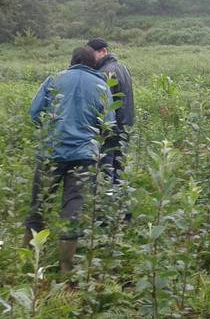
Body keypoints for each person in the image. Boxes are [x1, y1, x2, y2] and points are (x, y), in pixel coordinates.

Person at [23, 47, 114, 274]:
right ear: (94, 63)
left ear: (72, 61)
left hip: (50, 152)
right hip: (84, 156)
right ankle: (66, 266)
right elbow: (109, 124)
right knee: (73, 207)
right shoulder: (102, 85)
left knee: (40, 204)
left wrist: (50, 131)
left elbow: (34, 113)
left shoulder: (54, 79)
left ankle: (27, 260)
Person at [86, 38, 134, 184]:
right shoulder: (122, 68)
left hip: (111, 126)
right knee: (119, 166)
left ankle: (106, 200)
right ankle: (118, 201)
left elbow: (103, 103)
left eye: (91, 54)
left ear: (103, 51)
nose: (89, 58)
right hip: (125, 124)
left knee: (106, 166)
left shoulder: (104, 72)